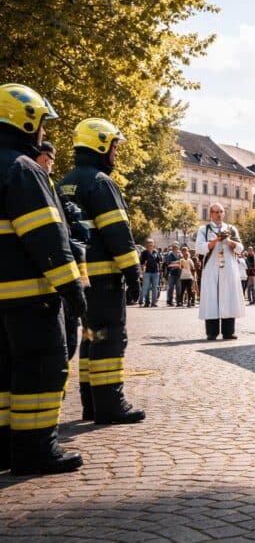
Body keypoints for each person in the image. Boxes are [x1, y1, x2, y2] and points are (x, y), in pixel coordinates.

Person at [0, 83, 87, 474]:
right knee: (43, 367)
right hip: (29, 297)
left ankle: (5, 447)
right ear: (26, 120)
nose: (43, 133)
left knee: (3, 372)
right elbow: (47, 235)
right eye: (41, 124)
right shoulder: (23, 168)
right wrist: (71, 287)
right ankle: (36, 450)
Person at [60, 117, 145, 425]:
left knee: (92, 337)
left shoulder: (64, 182)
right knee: (109, 339)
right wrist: (133, 274)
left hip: (79, 278)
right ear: (100, 145)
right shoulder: (101, 183)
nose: (115, 153)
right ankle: (110, 404)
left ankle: (91, 404)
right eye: (113, 147)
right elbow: (118, 234)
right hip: (105, 278)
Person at [36, 141, 90, 362]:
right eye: (50, 159)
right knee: (62, 347)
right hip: (49, 286)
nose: (51, 164)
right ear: (44, 157)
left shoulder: (52, 186)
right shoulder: (36, 183)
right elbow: (55, 240)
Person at [195, 204, 245, 340]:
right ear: (211, 213)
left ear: (224, 213)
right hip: (211, 267)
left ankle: (228, 331)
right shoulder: (204, 229)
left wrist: (228, 241)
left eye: (221, 212)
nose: (218, 214)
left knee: (229, 297)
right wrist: (216, 240)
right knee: (211, 298)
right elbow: (199, 248)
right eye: (216, 212)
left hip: (228, 267)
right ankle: (212, 332)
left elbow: (240, 248)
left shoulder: (231, 229)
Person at [139, 239, 161, 307]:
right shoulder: (144, 253)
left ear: (153, 244)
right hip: (147, 272)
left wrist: (159, 271)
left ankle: (153, 303)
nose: (150, 245)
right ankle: (147, 302)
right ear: (146, 245)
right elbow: (142, 263)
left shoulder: (156, 252)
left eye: (151, 244)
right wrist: (143, 272)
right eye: (149, 244)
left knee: (155, 288)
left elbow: (159, 262)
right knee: (146, 287)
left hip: (155, 272)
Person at [164, 242, 182, 306]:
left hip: (179, 273)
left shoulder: (180, 255)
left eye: (176, 247)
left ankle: (178, 301)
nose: (175, 249)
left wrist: (174, 264)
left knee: (178, 288)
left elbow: (181, 263)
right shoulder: (169, 255)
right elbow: (169, 264)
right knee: (171, 288)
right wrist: (177, 264)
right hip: (171, 274)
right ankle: (169, 301)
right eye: (174, 248)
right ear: (172, 248)